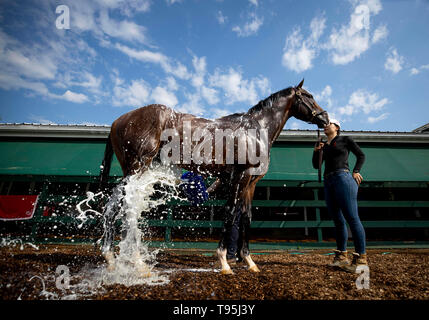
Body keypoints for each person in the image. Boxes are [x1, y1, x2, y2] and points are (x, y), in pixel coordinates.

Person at [312, 119, 368, 272]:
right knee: (337, 220)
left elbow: (361, 155)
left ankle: (361, 259)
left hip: (343, 177)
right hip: (328, 181)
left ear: (336, 127)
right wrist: (316, 151)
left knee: (352, 217)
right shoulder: (324, 146)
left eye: (328, 123)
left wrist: (356, 171)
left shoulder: (345, 140)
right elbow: (316, 165)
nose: (325, 125)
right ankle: (341, 257)